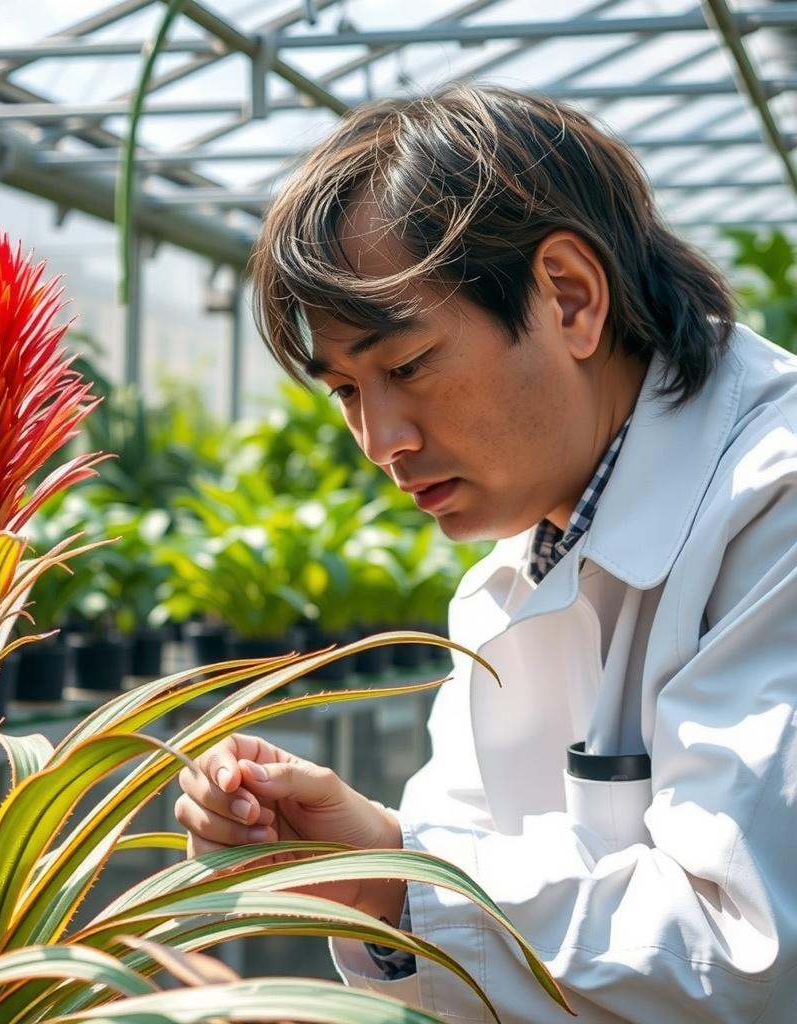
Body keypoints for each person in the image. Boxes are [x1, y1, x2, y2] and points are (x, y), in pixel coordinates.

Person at [173, 84, 797, 1022]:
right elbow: (456, 886)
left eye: (407, 366)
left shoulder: (775, 509)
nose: (380, 439)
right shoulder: (512, 571)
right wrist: (360, 867)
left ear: (570, 299)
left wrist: (398, 879)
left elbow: (747, 954)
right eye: (345, 390)